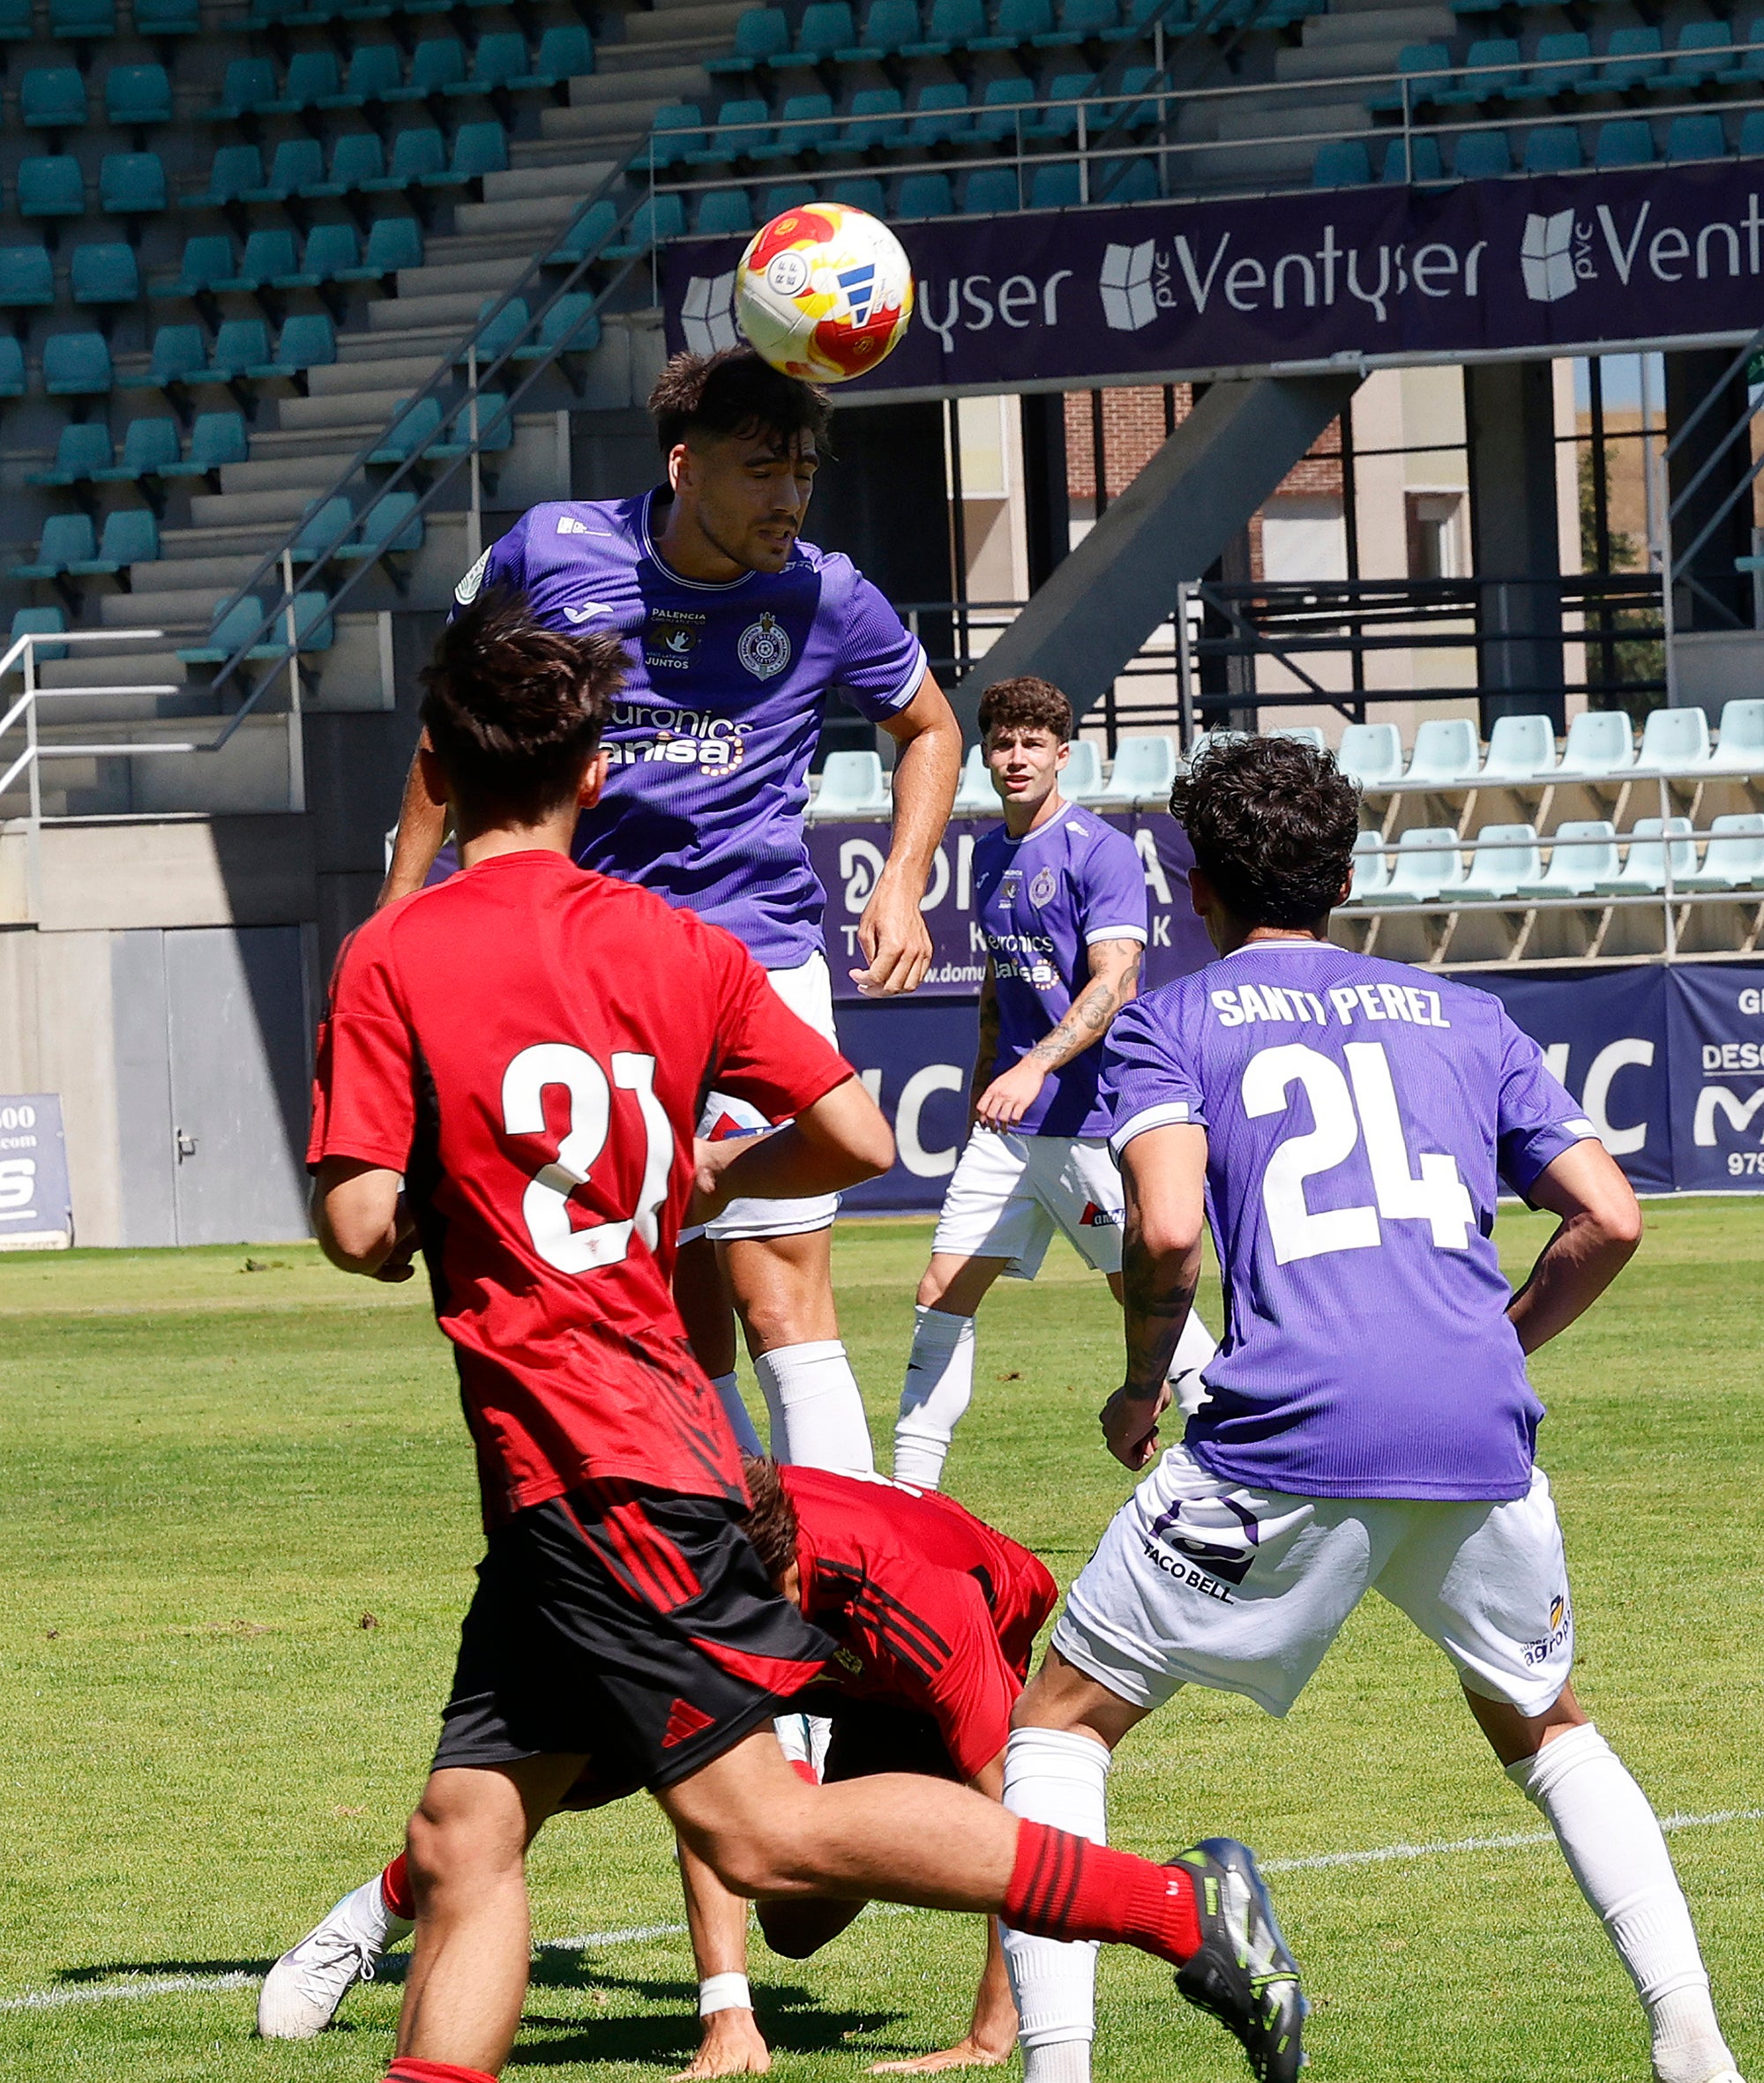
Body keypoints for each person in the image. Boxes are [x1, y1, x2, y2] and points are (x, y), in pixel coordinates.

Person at [305, 588, 1304, 2083]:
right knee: (466, 1834)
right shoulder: (674, 941)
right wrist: (708, 1170)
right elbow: (847, 1128)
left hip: (602, 1467)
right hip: (611, 1460)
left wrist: (444, 1191)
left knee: (762, 1834)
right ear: (597, 775)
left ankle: (1175, 1903)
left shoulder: (396, 954)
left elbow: (363, 1232)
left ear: (440, 759)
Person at [997, 733, 1743, 2083]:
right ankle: (1691, 2032)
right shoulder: (1468, 1017)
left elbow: (1166, 1233)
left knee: (1057, 1721)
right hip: (1475, 1434)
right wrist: (1498, 1343)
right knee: (1548, 1722)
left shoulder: (1174, 1018)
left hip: (1289, 1431)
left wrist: (1140, 1377)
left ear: (1196, 882)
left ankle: (1057, 2069)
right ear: (1345, 874)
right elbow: (1612, 1216)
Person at [380, 347, 965, 1478]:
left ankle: (848, 1575)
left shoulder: (825, 593)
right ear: (684, 466)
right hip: (593, 974)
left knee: (786, 1281)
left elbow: (932, 727)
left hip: (755, 951)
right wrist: (401, 905)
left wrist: (901, 876)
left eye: (803, 471)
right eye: (762, 471)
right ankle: (746, 1545)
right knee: (665, 1288)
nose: (789, 498)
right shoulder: (554, 551)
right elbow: (449, 725)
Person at [260, 1457, 1056, 2082]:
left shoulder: (919, 1602)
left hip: (912, 1668)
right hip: (829, 1636)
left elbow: (1021, 1816)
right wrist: (726, 2011)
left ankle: (796, 1783)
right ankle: (366, 1920)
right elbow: (702, 1792)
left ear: (781, 1581)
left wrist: (994, 2034)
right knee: (539, 1779)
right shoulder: (712, 1565)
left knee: (796, 1923)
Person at [892, 677, 1216, 1491]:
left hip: (1087, 1122)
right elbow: (1001, 990)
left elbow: (1114, 983)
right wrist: (986, 1081)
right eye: (1002, 743)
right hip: (1008, 1132)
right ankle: (909, 1491)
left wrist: (1036, 1066)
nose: (1015, 758)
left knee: (1141, 1291)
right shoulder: (989, 850)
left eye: (1033, 744)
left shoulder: (1098, 849)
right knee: (940, 1293)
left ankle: (1230, 1455)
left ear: (1062, 755)